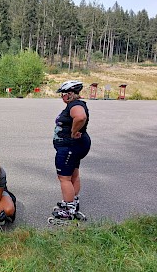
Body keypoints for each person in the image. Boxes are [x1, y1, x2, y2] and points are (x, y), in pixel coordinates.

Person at [51, 80, 91, 222]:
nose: (61, 97)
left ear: (69, 94)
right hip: (76, 146)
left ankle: (68, 210)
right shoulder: (76, 104)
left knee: (64, 178)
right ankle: (72, 201)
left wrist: (74, 132)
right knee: (74, 174)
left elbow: (80, 117)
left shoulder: (75, 105)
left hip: (70, 146)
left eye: (63, 94)